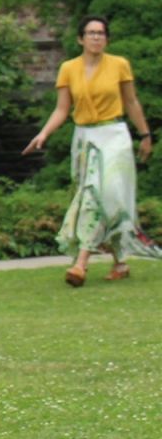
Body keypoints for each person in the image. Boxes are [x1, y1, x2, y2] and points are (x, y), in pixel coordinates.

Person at [25, 16, 160, 286]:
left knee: (103, 194)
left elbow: (131, 101)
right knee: (94, 196)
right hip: (85, 137)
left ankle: (81, 263)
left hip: (115, 136)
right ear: (80, 38)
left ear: (106, 39)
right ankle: (120, 262)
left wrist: (145, 134)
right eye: (91, 33)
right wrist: (43, 134)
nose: (96, 37)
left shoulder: (119, 65)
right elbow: (62, 109)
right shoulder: (68, 68)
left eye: (101, 33)